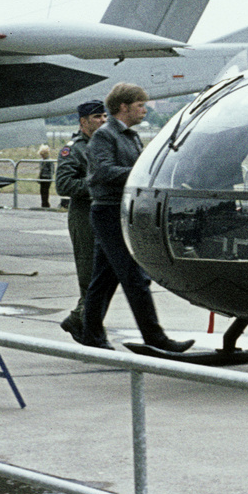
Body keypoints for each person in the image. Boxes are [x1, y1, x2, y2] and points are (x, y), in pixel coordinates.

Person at [82, 84, 193, 353]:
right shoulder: (104, 136)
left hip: (122, 210)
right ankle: (154, 337)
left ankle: (90, 333)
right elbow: (102, 172)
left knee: (103, 279)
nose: (144, 110)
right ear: (124, 107)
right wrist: (143, 171)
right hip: (108, 211)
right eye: (140, 105)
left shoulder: (130, 136)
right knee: (134, 276)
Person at [55, 100, 105, 342]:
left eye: (105, 116)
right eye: (97, 117)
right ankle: (85, 327)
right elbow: (63, 185)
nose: (103, 120)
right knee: (90, 275)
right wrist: (96, 185)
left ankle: (80, 321)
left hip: (106, 215)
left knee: (104, 275)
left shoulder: (105, 144)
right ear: (83, 122)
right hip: (84, 218)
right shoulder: (73, 149)